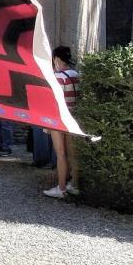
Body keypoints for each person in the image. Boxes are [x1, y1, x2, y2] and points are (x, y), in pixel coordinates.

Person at [43, 45, 81, 199]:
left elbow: (53, 100)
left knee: (60, 153)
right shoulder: (76, 75)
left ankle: (61, 187)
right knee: (72, 154)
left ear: (57, 59)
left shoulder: (58, 76)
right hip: (73, 117)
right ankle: (74, 185)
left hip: (59, 118)